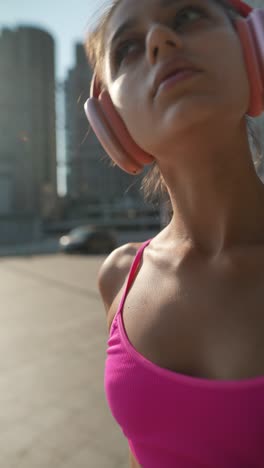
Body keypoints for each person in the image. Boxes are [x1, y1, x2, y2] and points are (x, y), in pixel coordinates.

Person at [84, 1, 264, 466]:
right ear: (113, 121)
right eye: (127, 49)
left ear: (253, 48)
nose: (159, 41)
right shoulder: (119, 277)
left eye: (186, 15)